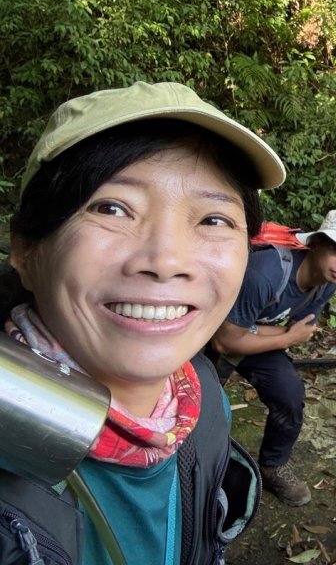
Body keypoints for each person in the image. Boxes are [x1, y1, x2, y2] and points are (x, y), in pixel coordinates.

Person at [1, 80, 284, 565]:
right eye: (111, 208)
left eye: (213, 219)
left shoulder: (203, 401)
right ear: (26, 250)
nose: (167, 261)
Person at [210, 209, 336, 506]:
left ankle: (273, 465)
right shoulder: (267, 273)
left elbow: (300, 328)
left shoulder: (327, 283)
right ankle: (199, 466)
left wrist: (261, 334)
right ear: (316, 244)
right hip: (209, 334)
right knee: (204, 408)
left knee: (289, 394)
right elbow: (224, 341)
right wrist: (285, 338)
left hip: (249, 336)